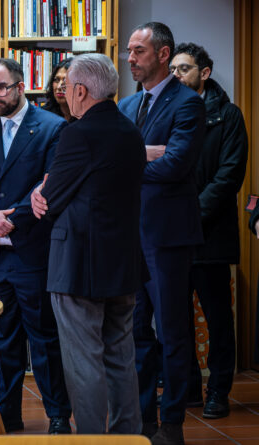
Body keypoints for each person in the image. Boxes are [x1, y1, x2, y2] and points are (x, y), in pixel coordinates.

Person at [30, 54, 146, 434]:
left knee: (84, 363)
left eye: (67, 88)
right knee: (120, 357)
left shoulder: (77, 133)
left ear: (80, 91)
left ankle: (94, 440)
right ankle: (127, 436)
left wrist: (40, 190)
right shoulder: (131, 130)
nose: (64, 94)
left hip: (79, 265)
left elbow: (52, 200)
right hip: (123, 263)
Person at [0, 57, 72, 436]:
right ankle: (6, 414)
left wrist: (15, 216)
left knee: (43, 338)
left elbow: (52, 184)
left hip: (33, 249)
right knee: (3, 340)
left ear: (21, 86)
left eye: (1, 88)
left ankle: (57, 414)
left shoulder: (52, 127)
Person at [118, 22, 206, 445]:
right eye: (129, 52)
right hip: (130, 235)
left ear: (163, 54)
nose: (130, 59)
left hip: (168, 237)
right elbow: (112, 163)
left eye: (138, 51)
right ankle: (143, 418)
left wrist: (133, 159)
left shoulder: (187, 104)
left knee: (172, 332)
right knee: (135, 332)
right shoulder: (126, 107)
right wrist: (145, 154)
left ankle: (172, 421)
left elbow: (175, 166)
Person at [171, 42, 248, 420]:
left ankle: (218, 390)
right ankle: (188, 390)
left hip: (211, 234)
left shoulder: (228, 116)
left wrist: (190, 213)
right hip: (172, 236)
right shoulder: (166, 111)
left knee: (218, 319)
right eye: (172, 69)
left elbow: (229, 176)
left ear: (204, 73)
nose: (176, 75)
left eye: (183, 68)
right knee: (177, 318)